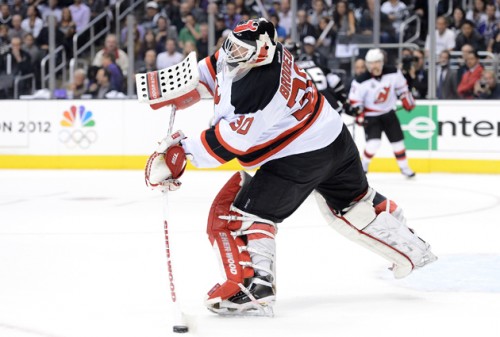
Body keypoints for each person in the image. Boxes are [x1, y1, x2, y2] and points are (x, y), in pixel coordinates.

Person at [143, 18, 436, 316]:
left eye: (239, 48)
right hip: (333, 134)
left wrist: (180, 154)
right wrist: (183, 83)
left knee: (244, 213)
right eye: (231, 43)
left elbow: (232, 142)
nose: (231, 52)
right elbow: (217, 66)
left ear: (261, 52)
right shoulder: (263, 50)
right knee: (353, 203)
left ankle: (255, 287)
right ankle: (411, 244)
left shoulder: (261, 88)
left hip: (299, 156)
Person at [348, 48, 417, 178]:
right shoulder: (360, 81)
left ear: (382, 62)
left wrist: (406, 99)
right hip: (371, 116)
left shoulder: (393, 72)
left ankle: (404, 167)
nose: (375, 66)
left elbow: (403, 88)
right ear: (367, 64)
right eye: (372, 63)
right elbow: (355, 101)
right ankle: (364, 165)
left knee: (398, 143)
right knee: (374, 144)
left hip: (388, 113)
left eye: (377, 62)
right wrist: (359, 113)